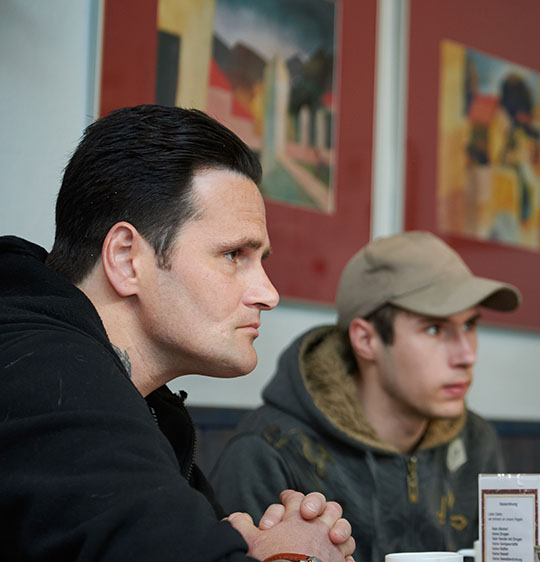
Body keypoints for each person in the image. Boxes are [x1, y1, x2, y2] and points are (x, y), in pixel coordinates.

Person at [0, 104, 356, 562]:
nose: (268, 294)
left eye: (260, 260)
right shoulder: (48, 373)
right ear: (127, 259)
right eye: (233, 255)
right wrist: (294, 556)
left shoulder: (145, 403)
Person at [210, 231, 521, 562]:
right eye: (434, 329)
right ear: (366, 340)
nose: (466, 355)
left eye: (470, 326)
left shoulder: (475, 440)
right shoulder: (268, 450)